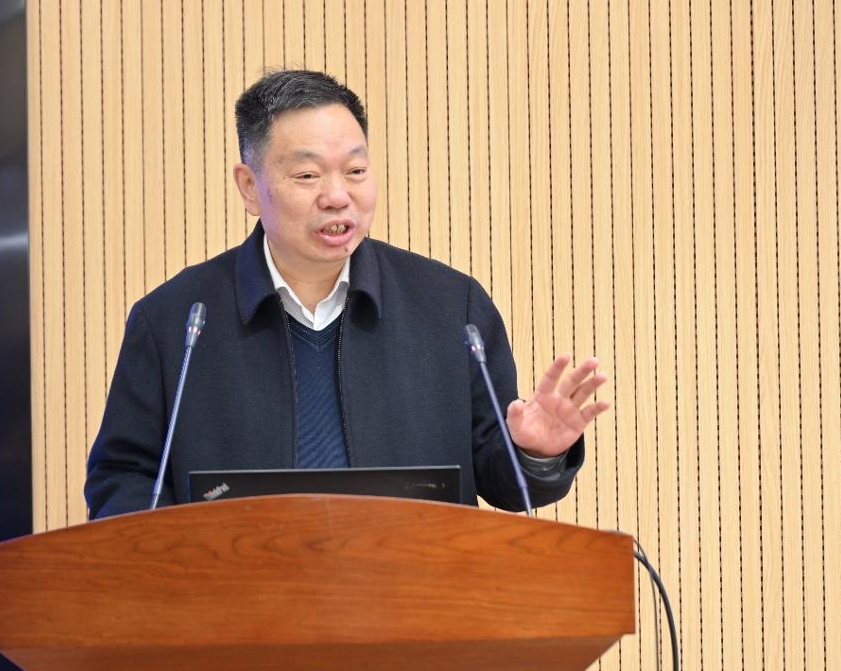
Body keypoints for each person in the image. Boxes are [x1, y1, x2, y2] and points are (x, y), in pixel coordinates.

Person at [85, 69, 612, 518]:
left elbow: (505, 482)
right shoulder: (177, 321)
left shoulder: (452, 308)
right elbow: (123, 478)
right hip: (235, 601)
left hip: (418, 601)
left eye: (356, 171)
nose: (338, 196)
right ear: (249, 187)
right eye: (307, 175)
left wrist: (536, 454)